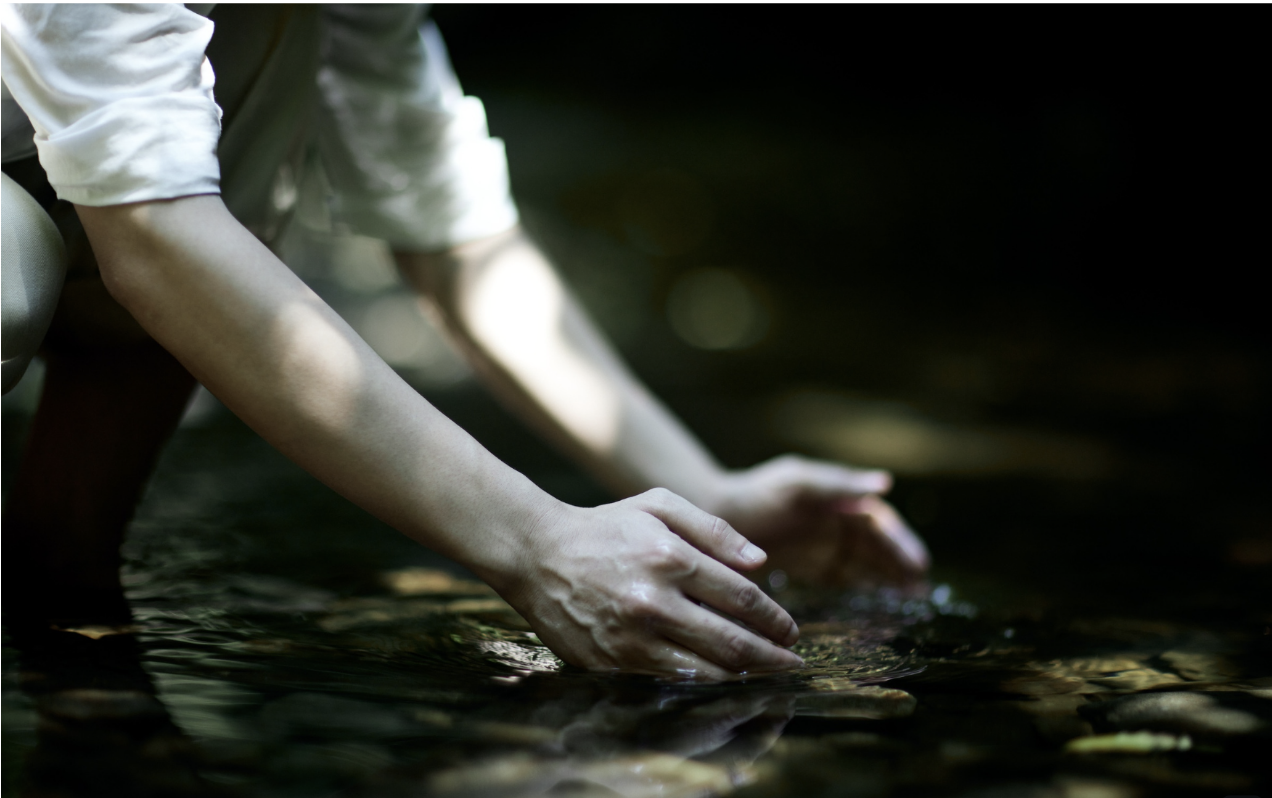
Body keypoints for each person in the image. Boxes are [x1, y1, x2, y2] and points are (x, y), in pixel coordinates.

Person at [0, 4, 928, 679]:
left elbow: (450, 226)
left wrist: (706, 495)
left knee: (66, 594)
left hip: (113, 222)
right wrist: (535, 545)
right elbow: (154, 236)